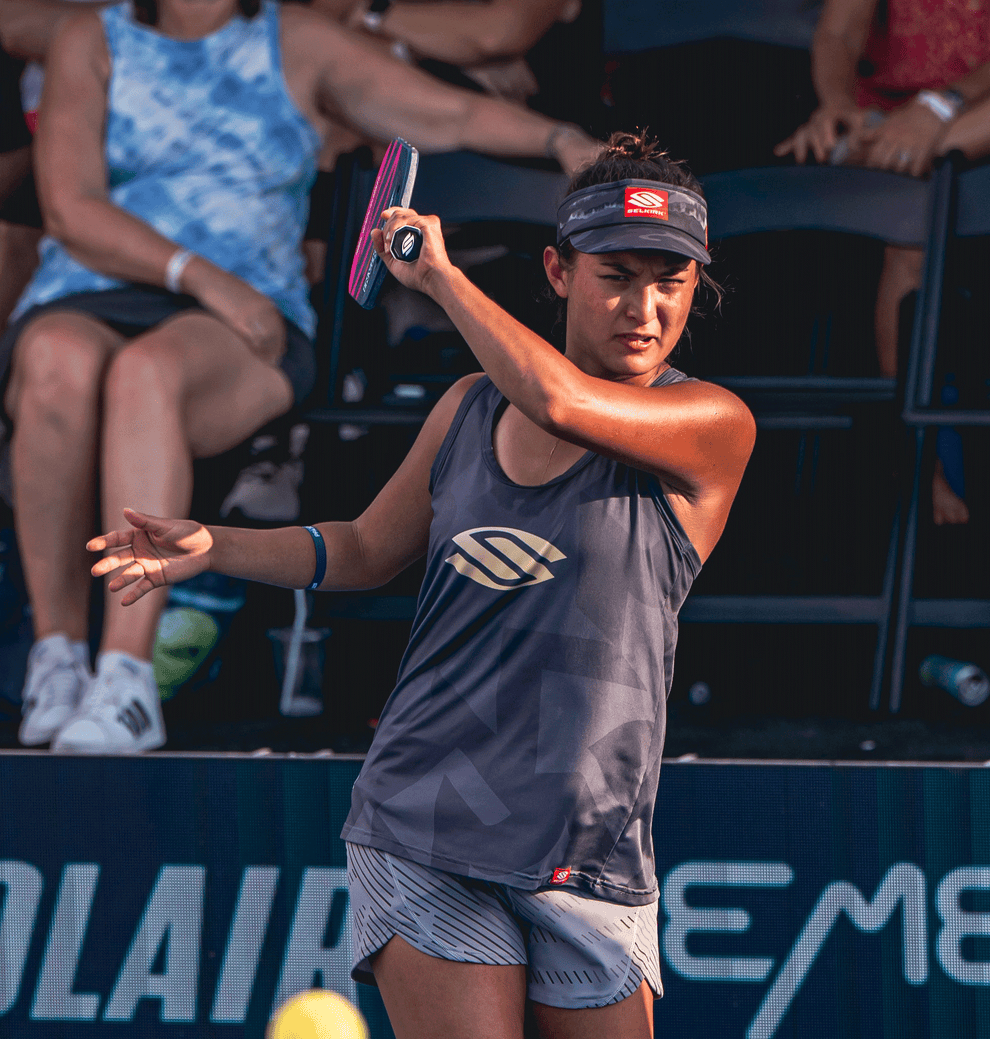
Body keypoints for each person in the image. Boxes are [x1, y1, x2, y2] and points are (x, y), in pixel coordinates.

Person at [89, 131, 756, 1037]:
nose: (643, 306)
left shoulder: (711, 424)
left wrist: (441, 278)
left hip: (592, 852)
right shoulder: (466, 410)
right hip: (426, 821)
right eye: (617, 275)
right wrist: (218, 544)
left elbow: (558, 399)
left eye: (669, 282)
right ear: (558, 272)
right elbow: (364, 546)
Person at [3, 0, 604, 755]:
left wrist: (560, 138)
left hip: (246, 315)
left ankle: (125, 678)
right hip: (103, 287)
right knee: (55, 358)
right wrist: (198, 276)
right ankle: (55, 660)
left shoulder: (296, 39)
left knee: (144, 372)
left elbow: (443, 113)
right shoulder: (92, 38)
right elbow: (70, 206)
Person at [774, 0, 990, 524]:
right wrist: (836, 104)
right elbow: (840, 31)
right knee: (907, 237)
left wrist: (937, 110)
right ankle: (923, 465)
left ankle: (875, 151)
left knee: (907, 195)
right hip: (889, 116)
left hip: (963, 112)